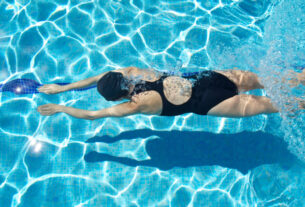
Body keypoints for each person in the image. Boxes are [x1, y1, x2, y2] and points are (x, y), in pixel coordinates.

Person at [37, 67, 305, 119]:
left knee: (282, 105)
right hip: (211, 77)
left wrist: (62, 106)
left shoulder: (134, 106)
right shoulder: (136, 71)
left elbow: (92, 115)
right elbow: (101, 75)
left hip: (210, 103)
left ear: (118, 97)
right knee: (284, 78)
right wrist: (65, 86)